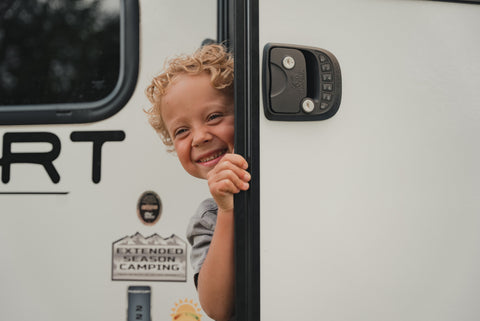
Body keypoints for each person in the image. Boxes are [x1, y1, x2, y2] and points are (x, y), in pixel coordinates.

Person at [145, 44, 249, 321]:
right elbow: (217, 308)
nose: (200, 137)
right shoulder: (208, 216)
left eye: (214, 116)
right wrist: (227, 210)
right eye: (181, 131)